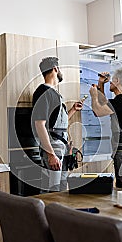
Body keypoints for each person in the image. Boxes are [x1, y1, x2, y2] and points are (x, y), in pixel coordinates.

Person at [32, 57, 83, 192]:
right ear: (55, 69)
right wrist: (50, 154)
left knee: (61, 188)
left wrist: (72, 110)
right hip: (53, 147)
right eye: (59, 69)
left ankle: (59, 213)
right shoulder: (43, 92)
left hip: (62, 146)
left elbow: (57, 123)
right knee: (51, 190)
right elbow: (40, 125)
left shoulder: (55, 93)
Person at [89, 68, 122, 188]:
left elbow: (98, 110)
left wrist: (94, 95)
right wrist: (101, 84)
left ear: (117, 81)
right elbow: (104, 103)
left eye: (111, 82)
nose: (109, 83)